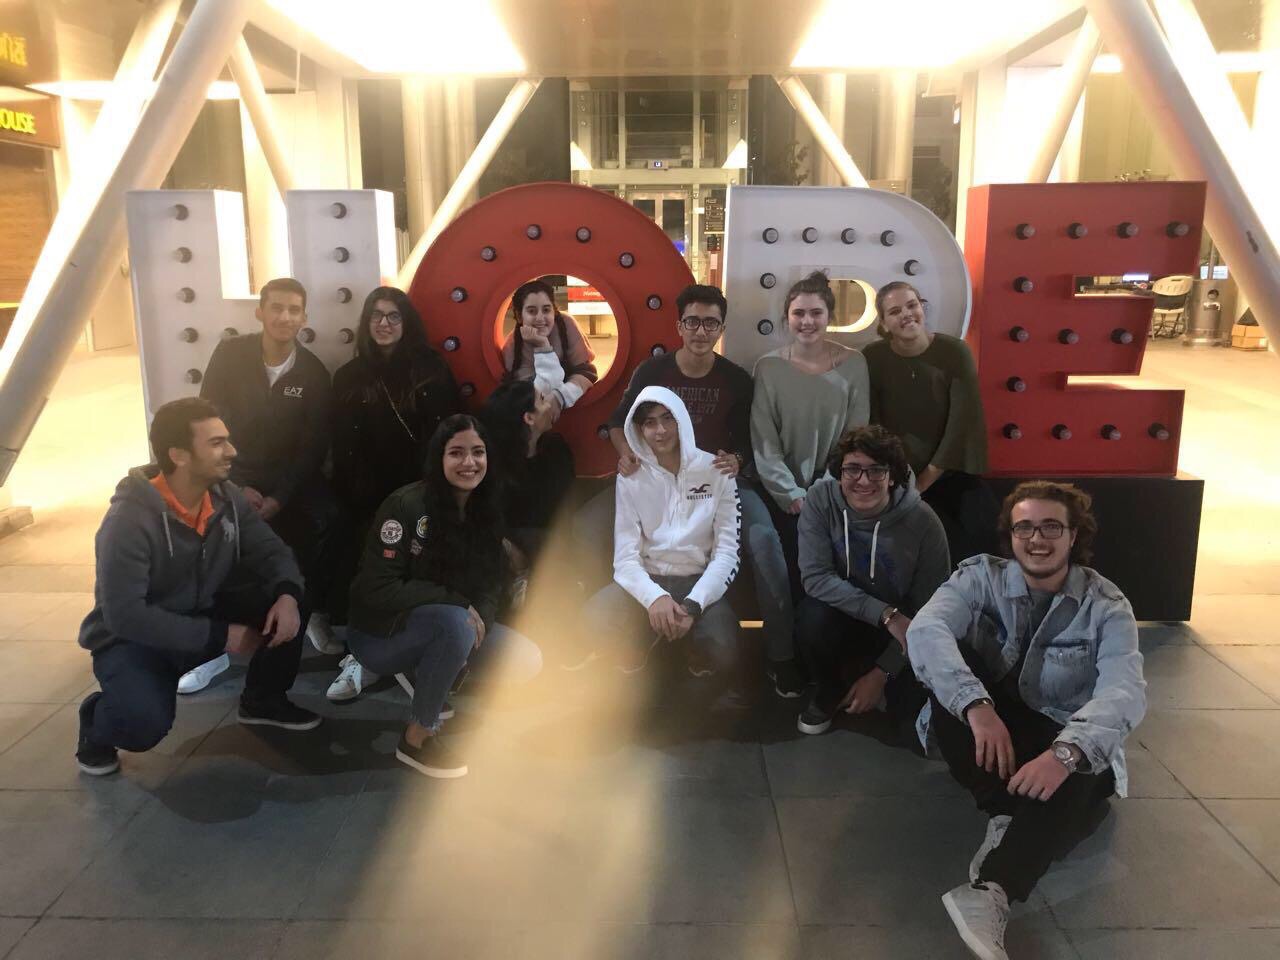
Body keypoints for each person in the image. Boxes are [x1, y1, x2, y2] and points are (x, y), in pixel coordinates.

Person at [907, 481, 1146, 960]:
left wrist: (1065, 753)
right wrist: (976, 705)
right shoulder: (979, 577)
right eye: (1025, 527)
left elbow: (1124, 689)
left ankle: (989, 890)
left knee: (1086, 774)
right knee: (948, 685)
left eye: (1052, 527)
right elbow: (926, 629)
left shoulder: (1106, 604)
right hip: (989, 722)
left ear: (1074, 535)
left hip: (1059, 729)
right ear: (1010, 535)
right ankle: (1008, 810)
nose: (1037, 539)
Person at [75, 398, 320, 777]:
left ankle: (262, 701)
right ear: (180, 455)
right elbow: (124, 616)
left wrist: (288, 594)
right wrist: (220, 635)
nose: (232, 451)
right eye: (217, 443)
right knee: (144, 725)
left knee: (290, 596)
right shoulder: (128, 520)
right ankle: (96, 721)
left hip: (198, 614)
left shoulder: (226, 497)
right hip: (135, 639)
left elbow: (272, 551)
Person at [580, 283, 800, 695]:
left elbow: (751, 438)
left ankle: (781, 657)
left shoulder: (736, 379)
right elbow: (617, 422)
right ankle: (620, 631)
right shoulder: (653, 370)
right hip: (649, 475)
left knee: (765, 543)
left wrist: (739, 460)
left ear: (721, 328)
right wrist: (627, 455)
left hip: (715, 478)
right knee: (584, 526)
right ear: (680, 325)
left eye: (711, 323)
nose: (701, 331)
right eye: (693, 322)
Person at [345, 414, 542, 779]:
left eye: (478, 452)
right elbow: (377, 588)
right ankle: (417, 738)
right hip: (379, 632)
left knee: (527, 660)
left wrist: (480, 611)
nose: (469, 463)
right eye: (457, 453)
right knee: (455, 624)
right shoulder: (406, 505)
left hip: (450, 622)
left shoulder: (487, 506)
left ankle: (432, 668)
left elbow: (489, 582)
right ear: (439, 458)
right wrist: (456, 601)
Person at [177, 277, 337, 694]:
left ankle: (308, 613)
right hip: (231, 474)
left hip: (288, 483)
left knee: (324, 521)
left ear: (304, 317)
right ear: (260, 311)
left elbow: (311, 447)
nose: (285, 317)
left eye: (294, 310)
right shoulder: (230, 355)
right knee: (208, 546)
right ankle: (210, 652)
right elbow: (205, 423)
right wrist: (237, 485)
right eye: (277, 307)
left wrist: (280, 498)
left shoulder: (314, 372)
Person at [326, 286, 461, 702]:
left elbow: (447, 434)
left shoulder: (430, 370)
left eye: (393, 316)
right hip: (364, 499)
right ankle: (364, 658)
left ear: (407, 322)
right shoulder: (349, 376)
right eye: (376, 316)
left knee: (418, 576)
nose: (384, 324)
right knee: (369, 578)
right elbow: (340, 444)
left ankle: (413, 653)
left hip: (419, 495)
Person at [795, 426, 949, 741]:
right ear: (839, 474)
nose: (863, 481)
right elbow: (816, 577)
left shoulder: (924, 521)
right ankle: (830, 689)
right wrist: (886, 614)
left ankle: (881, 682)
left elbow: (930, 607)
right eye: (852, 469)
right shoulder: (820, 501)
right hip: (851, 617)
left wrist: (882, 673)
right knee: (811, 616)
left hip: (904, 631)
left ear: (892, 476)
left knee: (908, 731)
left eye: (876, 470)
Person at [582, 387, 741, 678]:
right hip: (649, 579)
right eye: (650, 422)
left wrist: (693, 605)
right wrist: (654, 597)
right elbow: (625, 560)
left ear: (681, 420)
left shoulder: (717, 470)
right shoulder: (631, 477)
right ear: (639, 430)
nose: (660, 430)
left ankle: (689, 647)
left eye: (667, 419)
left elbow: (728, 554)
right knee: (593, 620)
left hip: (697, 582)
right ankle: (643, 641)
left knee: (723, 650)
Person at [751, 270, 870, 609]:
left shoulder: (854, 364)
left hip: (838, 493)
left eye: (816, 312)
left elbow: (856, 437)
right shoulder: (768, 367)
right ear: (787, 318)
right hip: (783, 499)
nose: (807, 321)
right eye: (798, 313)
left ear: (829, 317)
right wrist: (790, 495)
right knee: (788, 578)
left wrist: (827, 490)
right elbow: (764, 439)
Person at [864, 281, 996, 563]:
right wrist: (899, 480)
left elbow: (962, 422)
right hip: (897, 476)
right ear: (885, 324)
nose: (906, 314)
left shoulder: (955, 352)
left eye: (912, 305)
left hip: (951, 471)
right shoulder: (872, 358)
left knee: (983, 540)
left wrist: (924, 481)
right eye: (895, 311)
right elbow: (874, 424)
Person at [479, 379, 575, 571]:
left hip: (554, 548)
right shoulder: (490, 465)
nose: (549, 402)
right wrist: (505, 545)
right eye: (542, 399)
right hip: (506, 552)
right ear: (529, 418)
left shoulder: (556, 449)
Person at [500, 279, 597, 418]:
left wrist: (560, 397)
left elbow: (587, 372)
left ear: (554, 311)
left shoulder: (566, 325)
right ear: (519, 316)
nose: (540, 318)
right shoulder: (513, 348)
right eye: (532, 311)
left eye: (546, 310)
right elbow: (538, 396)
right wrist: (542, 346)